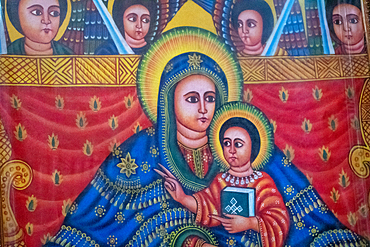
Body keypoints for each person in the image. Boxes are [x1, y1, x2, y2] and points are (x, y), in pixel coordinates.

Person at [44, 27, 244, 247]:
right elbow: (99, 225)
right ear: (170, 101)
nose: (204, 108)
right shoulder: (139, 150)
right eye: (192, 99)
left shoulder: (238, 146)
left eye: (210, 98)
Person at [155, 106, 290, 247]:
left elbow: (278, 220)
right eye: (226, 143)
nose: (231, 150)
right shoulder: (221, 180)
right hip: (222, 238)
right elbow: (207, 207)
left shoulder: (262, 182)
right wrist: (181, 197)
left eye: (238, 144)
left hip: (249, 240)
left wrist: (249, 223)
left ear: (253, 147)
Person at [6, 0, 73, 55]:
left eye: (54, 13)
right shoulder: (7, 55)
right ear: (17, 15)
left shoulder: (69, 55)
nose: (46, 20)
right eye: (37, 12)